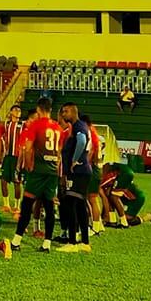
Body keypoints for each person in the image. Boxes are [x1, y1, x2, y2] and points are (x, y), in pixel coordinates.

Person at [17, 98, 67, 251]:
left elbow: (27, 148)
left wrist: (27, 166)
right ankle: (47, 243)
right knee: (49, 206)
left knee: (26, 205)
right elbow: (59, 152)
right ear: (50, 110)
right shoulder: (57, 128)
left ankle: (16, 240)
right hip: (52, 172)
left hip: (38, 171)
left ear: (38, 110)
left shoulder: (35, 125)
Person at [58, 102, 96, 251]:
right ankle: (85, 242)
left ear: (74, 112)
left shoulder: (79, 126)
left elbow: (81, 141)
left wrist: (74, 160)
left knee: (70, 204)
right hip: (83, 172)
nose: (63, 115)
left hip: (78, 172)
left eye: (65, 112)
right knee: (80, 206)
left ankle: (72, 242)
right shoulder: (78, 127)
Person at [99, 161, 151, 228]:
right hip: (127, 197)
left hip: (136, 199)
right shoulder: (112, 176)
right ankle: (112, 221)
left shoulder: (106, 177)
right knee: (110, 195)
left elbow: (104, 197)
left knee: (114, 197)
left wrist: (104, 217)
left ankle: (149, 217)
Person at [0, 103, 24, 204]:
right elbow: (1, 137)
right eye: (15, 109)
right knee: (3, 180)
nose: (17, 112)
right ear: (11, 112)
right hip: (7, 157)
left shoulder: (23, 125)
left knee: (17, 182)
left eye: (19, 110)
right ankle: (6, 204)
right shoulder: (6, 124)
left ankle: (17, 206)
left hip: (18, 157)